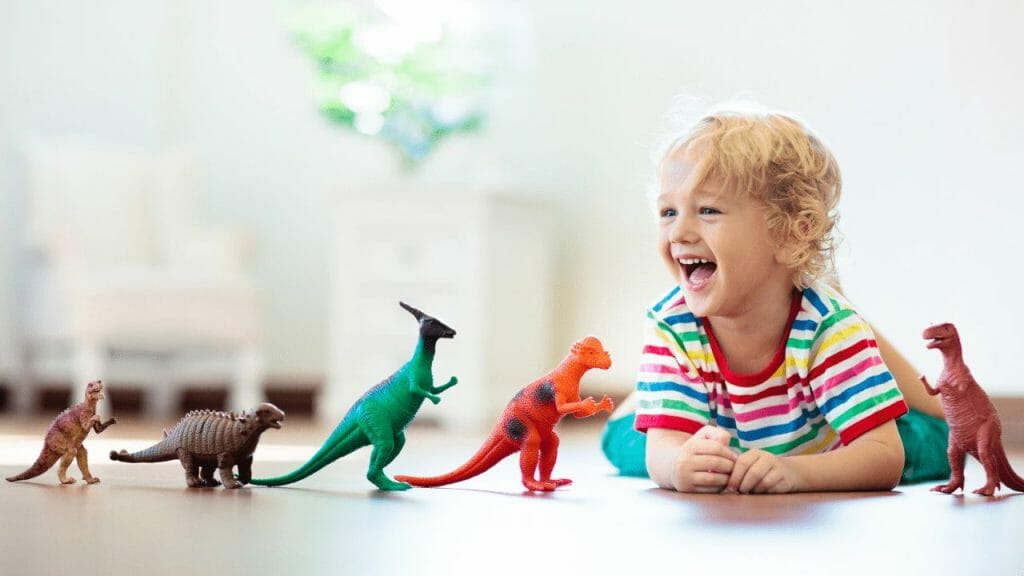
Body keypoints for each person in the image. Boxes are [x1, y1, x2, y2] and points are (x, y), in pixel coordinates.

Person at [602, 103, 949, 493]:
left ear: (788, 235)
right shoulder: (673, 323)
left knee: (935, 446)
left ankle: (838, 318)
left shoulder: (826, 327)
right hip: (717, 429)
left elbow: (885, 457)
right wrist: (678, 465)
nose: (678, 232)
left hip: (818, 434)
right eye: (668, 211)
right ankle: (650, 398)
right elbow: (662, 450)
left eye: (707, 210)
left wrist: (799, 473)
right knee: (625, 444)